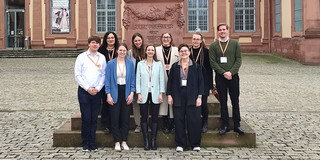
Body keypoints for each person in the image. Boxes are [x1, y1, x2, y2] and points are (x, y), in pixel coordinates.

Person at [209, 23, 245, 135]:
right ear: (218, 32)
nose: (222, 31)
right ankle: (225, 125)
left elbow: (238, 60)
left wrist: (231, 72)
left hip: (233, 77)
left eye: (224, 29)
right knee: (223, 101)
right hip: (220, 77)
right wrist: (223, 72)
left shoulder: (235, 44)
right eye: (220, 30)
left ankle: (237, 124)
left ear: (227, 30)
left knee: (235, 101)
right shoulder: (214, 45)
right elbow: (213, 62)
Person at [167, 44, 204, 152]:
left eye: (185, 51)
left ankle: (195, 143)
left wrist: (199, 97)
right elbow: (170, 82)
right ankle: (180, 144)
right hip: (178, 96)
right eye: (181, 51)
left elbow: (201, 82)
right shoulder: (174, 66)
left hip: (192, 96)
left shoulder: (196, 66)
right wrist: (169, 95)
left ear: (189, 52)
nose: (183, 53)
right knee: (179, 120)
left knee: (194, 121)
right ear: (179, 53)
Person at [74, 35, 107, 152]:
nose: (95, 45)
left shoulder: (102, 57)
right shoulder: (81, 57)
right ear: (88, 44)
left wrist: (98, 88)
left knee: (93, 119)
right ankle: (85, 142)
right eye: (93, 43)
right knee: (86, 118)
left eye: (97, 43)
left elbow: (103, 75)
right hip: (84, 91)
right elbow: (77, 75)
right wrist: (87, 88)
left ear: (99, 45)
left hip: (97, 92)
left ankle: (92, 142)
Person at [105, 43, 135, 151]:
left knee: (125, 119)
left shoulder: (130, 64)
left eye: (124, 50)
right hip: (114, 92)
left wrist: (132, 94)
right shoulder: (111, 63)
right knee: (115, 118)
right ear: (117, 51)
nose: (122, 52)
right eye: (120, 50)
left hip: (126, 92)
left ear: (127, 52)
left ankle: (124, 141)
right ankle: (117, 141)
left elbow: (132, 80)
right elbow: (107, 80)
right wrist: (108, 95)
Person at [136, 44, 165, 150]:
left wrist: (161, 93)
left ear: (154, 52)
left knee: (155, 118)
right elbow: (137, 79)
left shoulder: (158, 64)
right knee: (144, 118)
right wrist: (138, 93)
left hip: (155, 93)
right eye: (148, 50)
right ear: (146, 51)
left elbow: (161, 79)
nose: (150, 51)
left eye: (152, 50)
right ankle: (146, 141)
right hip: (143, 94)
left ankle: (153, 140)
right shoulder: (140, 64)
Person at [155, 32, 179, 134]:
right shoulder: (156, 50)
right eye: (164, 37)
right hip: (160, 77)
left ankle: (173, 124)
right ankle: (165, 124)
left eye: (168, 37)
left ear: (171, 38)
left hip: (174, 78)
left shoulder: (176, 50)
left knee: (173, 100)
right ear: (161, 38)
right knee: (163, 101)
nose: (166, 39)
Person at [190, 33, 213, 133]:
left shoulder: (206, 52)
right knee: (193, 103)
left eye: (197, 39)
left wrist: (210, 85)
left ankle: (204, 122)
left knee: (203, 103)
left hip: (203, 81)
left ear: (201, 40)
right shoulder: (188, 51)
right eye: (194, 39)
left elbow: (209, 69)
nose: (195, 41)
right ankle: (194, 123)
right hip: (190, 82)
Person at [98, 32, 119, 134]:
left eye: (112, 38)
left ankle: (115, 124)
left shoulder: (119, 50)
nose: (111, 39)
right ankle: (105, 125)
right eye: (109, 38)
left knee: (115, 102)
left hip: (117, 80)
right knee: (106, 103)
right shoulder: (100, 51)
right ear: (105, 39)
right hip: (104, 80)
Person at [126, 33, 144, 133]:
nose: (138, 42)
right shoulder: (129, 53)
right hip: (134, 81)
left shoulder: (146, 52)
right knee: (136, 105)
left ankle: (145, 123)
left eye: (139, 40)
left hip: (145, 82)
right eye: (136, 41)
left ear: (142, 40)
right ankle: (138, 124)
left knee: (145, 104)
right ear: (133, 42)